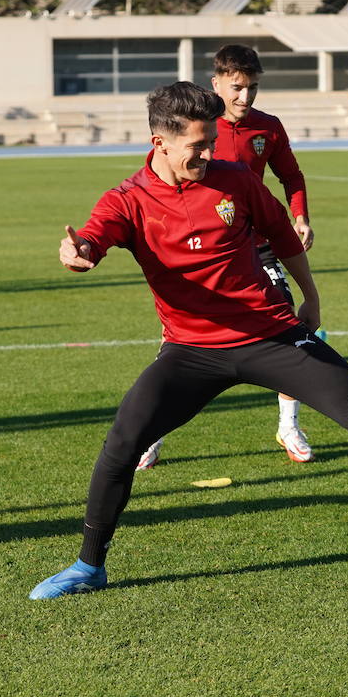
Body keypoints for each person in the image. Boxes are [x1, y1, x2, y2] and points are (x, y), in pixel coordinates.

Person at [29, 82, 348, 600]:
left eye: (211, 143)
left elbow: (284, 237)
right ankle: (88, 567)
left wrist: (310, 296)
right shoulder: (128, 200)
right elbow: (94, 237)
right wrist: (80, 252)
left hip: (272, 335)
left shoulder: (237, 181)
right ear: (159, 141)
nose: (208, 154)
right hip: (192, 351)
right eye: (197, 146)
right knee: (121, 445)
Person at [136, 43, 316, 470]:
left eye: (252, 88)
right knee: (179, 341)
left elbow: (290, 175)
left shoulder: (268, 127)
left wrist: (300, 216)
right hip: (204, 252)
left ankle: (288, 425)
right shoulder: (194, 127)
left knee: (288, 325)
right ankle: (152, 433)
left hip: (258, 245)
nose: (245, 97)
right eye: (236, 88)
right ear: (216, 84)